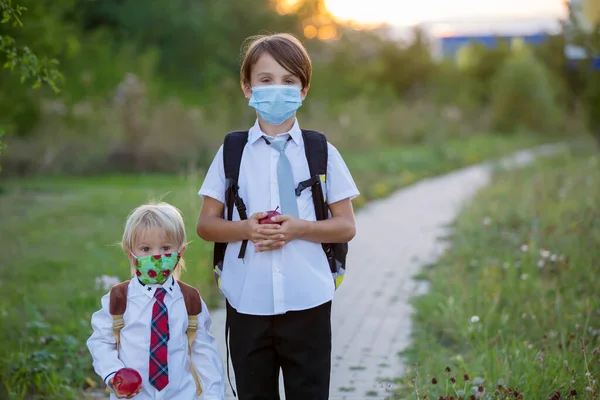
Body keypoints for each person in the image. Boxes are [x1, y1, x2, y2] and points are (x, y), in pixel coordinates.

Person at [196, 33, 359, 400]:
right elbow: (206, 225)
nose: (277, 89)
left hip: (308, 300)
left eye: (289, 81)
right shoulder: (231, 152)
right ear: (247, 87)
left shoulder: (322, 151)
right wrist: (246, 229)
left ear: (303, 90)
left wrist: (299, 228)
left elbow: (346, 226)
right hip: (247, 300)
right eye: (266, 80)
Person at [87, 202, 225, 399]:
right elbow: (100, 341)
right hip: (133, 396)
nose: (157, 256)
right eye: (145, 249)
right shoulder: (118, 299)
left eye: (166, 247)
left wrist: (214, 395)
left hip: (181, 394)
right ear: (131, 254)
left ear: (180, 252)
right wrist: (114, 374)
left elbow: (204, 351)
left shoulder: (190, 300)